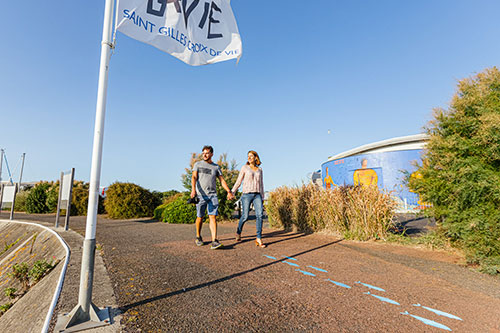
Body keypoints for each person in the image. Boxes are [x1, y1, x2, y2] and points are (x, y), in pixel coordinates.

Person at [191, 145, 235, 249]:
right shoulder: (198, 164)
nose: (204, 155)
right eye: (203, 153)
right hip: (201, 195)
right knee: (200, 217)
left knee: (213, 217)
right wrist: (193, 190)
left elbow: (222, 180)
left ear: (211, 154)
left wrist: (229, 191)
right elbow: (193, 177)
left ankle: (214, 240)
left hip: (212, 195)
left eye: (207, 153)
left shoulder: (216, 167)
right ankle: (198, 236)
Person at [231, 150, 266, 248]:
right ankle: (238, 232)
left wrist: (262, 196)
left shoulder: (260, 170)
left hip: (257, 195)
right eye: (248, 156)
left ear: (256, 158)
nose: (249, 158)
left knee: (259, 215)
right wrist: (232, 191)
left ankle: (258, 238)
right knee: (245, 216)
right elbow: (239, 181)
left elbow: (261, 184)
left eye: (251, 156)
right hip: (246, 195)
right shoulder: (244, 168)